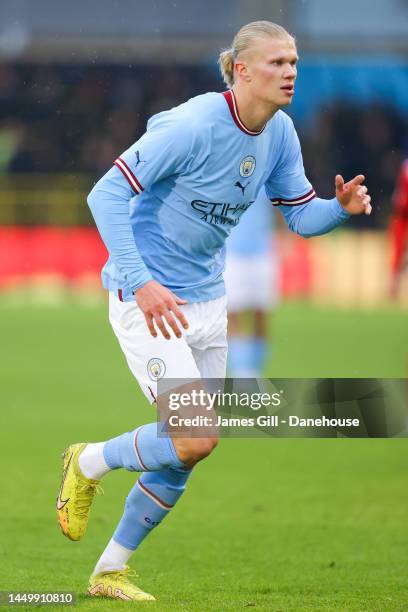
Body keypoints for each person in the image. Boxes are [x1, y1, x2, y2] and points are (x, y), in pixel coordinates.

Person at [56, 21, 372, 602]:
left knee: (186, 452)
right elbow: (105, 193)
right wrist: (141, 281)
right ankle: (89, 460)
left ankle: (109, 571)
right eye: (277, 63)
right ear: (242, 70)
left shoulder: (279, 133)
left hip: (208, 301)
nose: (291, 73)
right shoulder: (193, 124)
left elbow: (301, 216)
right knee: (195, 435)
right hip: (149, 303)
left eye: (295, 62)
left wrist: (340, 209)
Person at [225, 186, 278, 377]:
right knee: (233, 312)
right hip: (231, 252)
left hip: (263, 251)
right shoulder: (226, 172)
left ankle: (255, 371)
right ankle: (241, 373)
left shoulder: (268, 173)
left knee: (261, 313)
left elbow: (282, 207)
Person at [389, 157, 408, 298]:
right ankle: (394, 285)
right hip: (402, 215)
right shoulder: (405, 167)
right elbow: (400, 199)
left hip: (401, 214)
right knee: (397, 251)